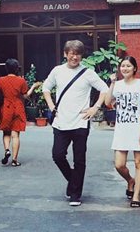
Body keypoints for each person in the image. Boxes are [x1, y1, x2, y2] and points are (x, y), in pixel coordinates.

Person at [42, 40, 108, 207]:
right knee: (57, 155)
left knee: (79, 160)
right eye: (71, 53)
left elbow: (104, 89)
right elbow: (46, 88)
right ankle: (73, 181)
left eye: (77, 53)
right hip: (61, 122)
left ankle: (75, 194)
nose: (74, 56)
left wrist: (95, 107)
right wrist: (51, 106)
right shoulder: (57, 71)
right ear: (65, 54)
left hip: (80, 122)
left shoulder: (88, 72)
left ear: (81, 55)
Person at [104, 56, 140, 208]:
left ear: (135, 68)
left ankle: (136, 195)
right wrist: (112, 83)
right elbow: (107, 102)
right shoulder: (117, 85)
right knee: (119, 164)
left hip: (138, 129)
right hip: (122, 129)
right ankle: (130, 180)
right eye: (123, 66)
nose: (125, 68)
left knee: (139, 162)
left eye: (128, 66)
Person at [0, 58, 41, 167]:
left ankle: (7, 150)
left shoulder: (0, 80)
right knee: (15, 134)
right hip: (17, 107)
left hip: (6, 107)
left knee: (6, 132)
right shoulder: (21, 81)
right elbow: (25, 95)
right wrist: (34, 86)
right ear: (17, 69)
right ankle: (15, 160)